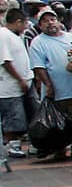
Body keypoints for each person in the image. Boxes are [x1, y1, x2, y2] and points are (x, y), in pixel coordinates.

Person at [28, 7, 72, 158]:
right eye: (45, 21)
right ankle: (60, 148)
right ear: (40, 25)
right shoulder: (38, 42)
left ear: (59, 21)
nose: (50, 23)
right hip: (57, 90)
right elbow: (38, 66)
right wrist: (48, 84)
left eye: (52, 19)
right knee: (60, 119)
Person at [0, 9, 33, 157]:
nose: (26, 27)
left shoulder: (16, 36)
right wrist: (19, 79)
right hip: (10, 85)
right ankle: (12, 144)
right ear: (18, 21)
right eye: (25, 23)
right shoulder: (3, 35)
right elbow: (6, 61)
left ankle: (29, 142)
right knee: (13, 115)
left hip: (25, 82)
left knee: (27, 113)